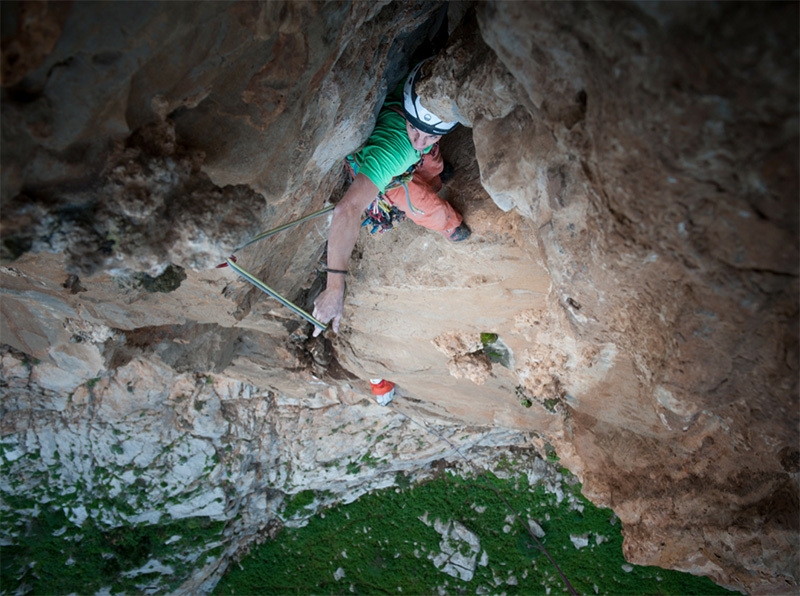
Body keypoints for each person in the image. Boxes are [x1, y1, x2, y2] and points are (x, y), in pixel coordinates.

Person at [312, 59, 469, 338]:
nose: (419, 140)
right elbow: (348, 209)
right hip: (387, 174)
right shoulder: (395, 151)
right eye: (415, 129)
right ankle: (451, 225)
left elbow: (421, 138)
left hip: (405, 163)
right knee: (418, 202)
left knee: (429, 160)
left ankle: (436, 176)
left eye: (430, 134)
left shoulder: (418, 91)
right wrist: (335, 287)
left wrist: (422, 139)